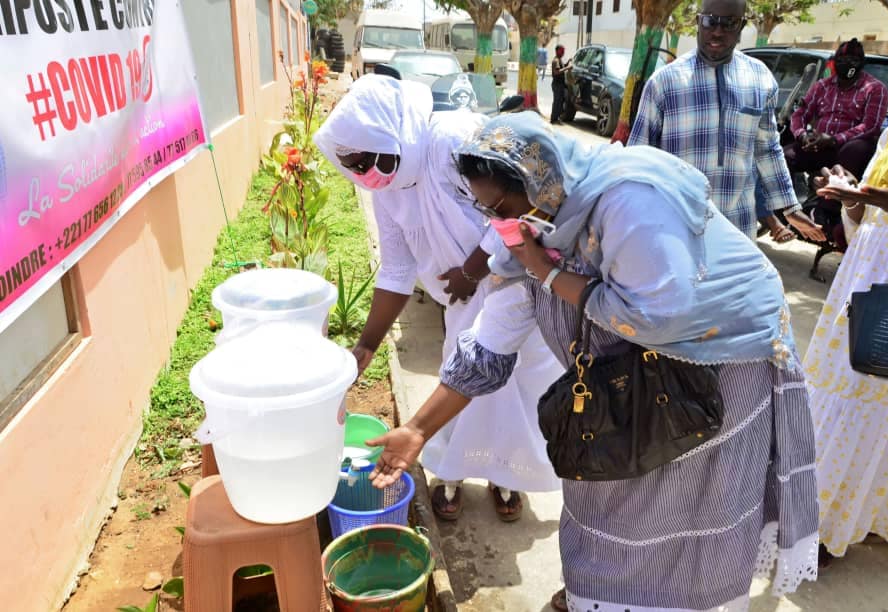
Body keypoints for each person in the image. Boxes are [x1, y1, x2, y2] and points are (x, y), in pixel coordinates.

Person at [367, 112, 819, 611]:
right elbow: (487, 346)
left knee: (692, 504)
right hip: (625, 384)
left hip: (719, 367)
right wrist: (417, 430)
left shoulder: (628, 204)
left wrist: (546, 273)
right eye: (483, 209)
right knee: (611, 493)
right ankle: (603, 597)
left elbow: (656, 314)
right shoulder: (536, 242)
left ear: (540, 181)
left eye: (500, 207)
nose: (497, 224)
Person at [313, 75, 562, 522]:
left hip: (512, 282)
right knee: (462, 379)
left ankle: (504, 477)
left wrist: (472, 270)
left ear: (390, 133)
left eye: (367, 159)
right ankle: (452, 475)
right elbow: (397, 269)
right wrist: (367, 344)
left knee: (517, 388)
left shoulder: (449, 140)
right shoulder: (386, 191)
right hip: (462, 302)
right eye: (353, 166)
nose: (364, 173)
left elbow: (514, 208)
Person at [801, 22, 888, 566]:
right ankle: (820, 510)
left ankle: (836, 524)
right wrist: (850, 199)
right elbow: (866, 213)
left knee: (884, 398)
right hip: (866, 271)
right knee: (840, 390)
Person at [627, 0, 826, 244]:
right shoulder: (664, 82)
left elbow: (767, 149)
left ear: (741, 26)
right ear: (698, 22)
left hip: (737, 228)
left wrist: (790, 207)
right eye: (710, 21)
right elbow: (638, 158)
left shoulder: (760, 79)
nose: (718, 31)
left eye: (729, 23)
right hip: (676, 225)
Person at [786, 38, 888, 180]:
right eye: (842, 60)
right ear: (835, 62)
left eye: (853, 60)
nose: (847, 64)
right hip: (819, 145)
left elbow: (870, 126)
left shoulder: (875, 88)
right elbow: (800, 114)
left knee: (855, 149)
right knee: (785, 155)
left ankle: (838, 191)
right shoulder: (822, 86)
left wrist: (834, 140)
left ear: (862, 63)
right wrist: (803, 135)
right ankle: (789, 193)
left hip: (848, 147)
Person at [550, 44, 572, 125]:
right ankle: (554, 119)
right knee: (557, 102)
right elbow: (557, 72)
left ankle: (557, 118)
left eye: (563, 51)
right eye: (561, 50)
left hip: (560, 84)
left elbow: (561, 68)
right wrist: (567, 68)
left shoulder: (559, 60)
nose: (563, 52)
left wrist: (568, 63)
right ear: (557, 51)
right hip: (557, 84)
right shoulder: (556, 60)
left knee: (560, 102)